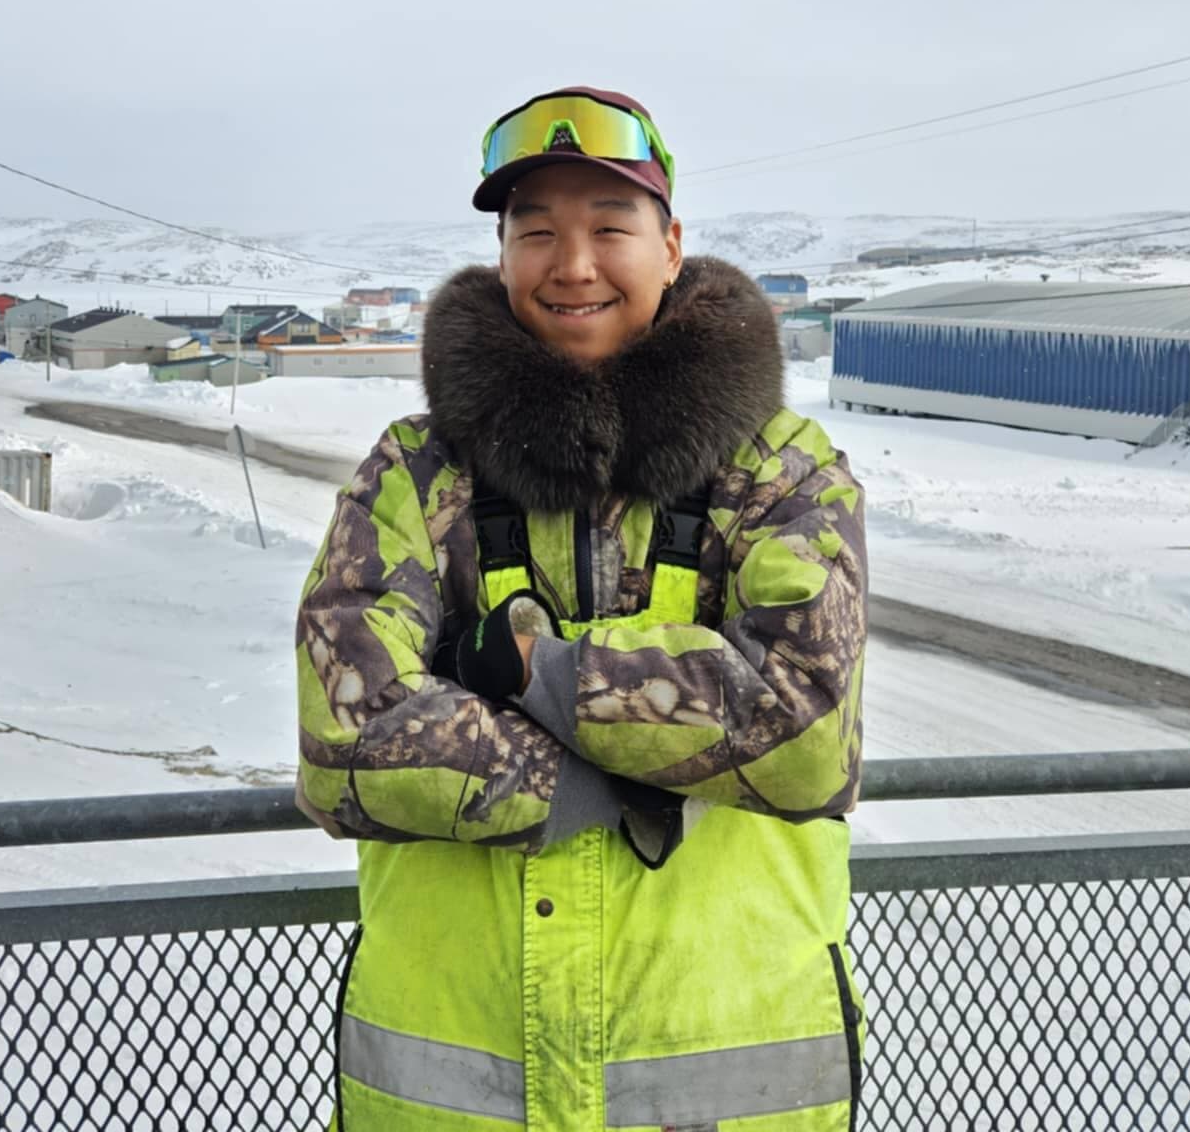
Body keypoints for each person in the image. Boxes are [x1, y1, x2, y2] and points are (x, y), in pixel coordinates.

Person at [295, 87, 869, 1130]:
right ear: (502, 254)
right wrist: (620, 776)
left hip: (731, 1086)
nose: (572, 264)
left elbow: (805, 736)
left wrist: (529, 672)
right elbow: (345, 742)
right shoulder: (415, 472)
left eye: (610, 227)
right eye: (536, 231)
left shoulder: (780, 469)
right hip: (451, 1101)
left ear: (670, 247)